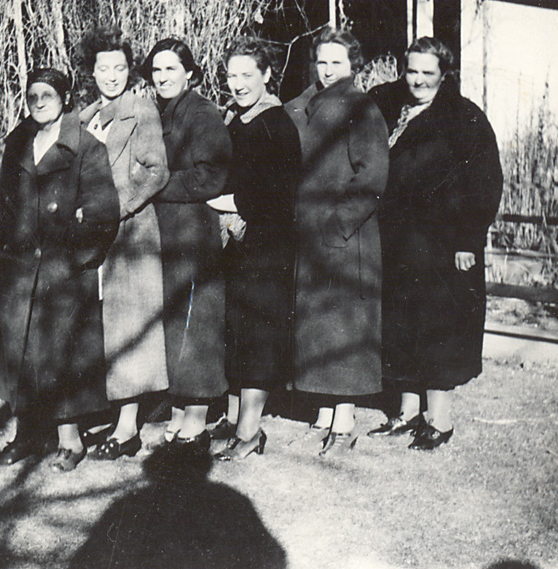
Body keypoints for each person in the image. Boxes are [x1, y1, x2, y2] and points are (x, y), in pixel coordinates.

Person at [367, 37, 502, 450]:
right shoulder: (393, 109)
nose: (418, 80)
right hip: (398, 243)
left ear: (445, 74)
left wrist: (469, 240)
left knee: (437, 328)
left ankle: (439, 420)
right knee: (400, 324)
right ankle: (407, 412)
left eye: (428, 72)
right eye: (412, 71)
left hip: (443, 247)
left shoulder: (464, 118)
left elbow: (485, 184)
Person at [0, 68, 120, 471]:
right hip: (20, 267)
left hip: (64, 271)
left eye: (48, 95)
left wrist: (74, 256)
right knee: (21, 350)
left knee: (63, 353)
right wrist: (2, 248)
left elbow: (103, 213)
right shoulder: (18, 143)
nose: (39, 102)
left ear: (66, 98)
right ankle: (26, 434)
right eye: (33, 96)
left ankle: (69, 441)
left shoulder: (87, 148)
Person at [284, 27, 389, 457]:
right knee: (319, 327)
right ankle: (324, 414)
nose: (327, 70)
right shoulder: (307, 105)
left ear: (353, 65)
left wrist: (338, 225)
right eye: (321, 62)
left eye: (336, 63)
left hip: (345, 238)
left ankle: (343, 422)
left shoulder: (361, 108)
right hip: (312, 236)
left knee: (343, 328)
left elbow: (372, 176)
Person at [76, 26, 170, 460]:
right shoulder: (84, 117)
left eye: (119, 68)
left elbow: (156, 171)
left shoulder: (141, 109)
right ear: (92, 71)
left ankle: (128, 428)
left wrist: (118, 208)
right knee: (98, 326)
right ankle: (102, 413)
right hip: (88, 237)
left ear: (129, 70)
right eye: (103, 68)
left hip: (130, 234)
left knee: (129, 326)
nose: (111, 76)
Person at [210, 39, 301, 461]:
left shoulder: (277, 124)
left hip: (266, 247)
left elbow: (280, 192)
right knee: (237, 331)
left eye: (248, 75)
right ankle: (234, 420)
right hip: (236, 245)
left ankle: (250, 431)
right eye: (232, 75)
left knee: (259, 335)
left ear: (266, 75)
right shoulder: (235, 120)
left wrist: (229, 202)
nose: (239, 83)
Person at [142, 37, 231, 450]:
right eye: (156, 70)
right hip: (164, 231)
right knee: (173, 322)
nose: (162, 77)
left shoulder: (201, 113)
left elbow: (210, 176)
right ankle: (179, 410)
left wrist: (155, 185)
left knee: (196, 322)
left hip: (193, 231)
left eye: (171, 69)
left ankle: (196, 417)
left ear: (189, 74)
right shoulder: (155, 112)